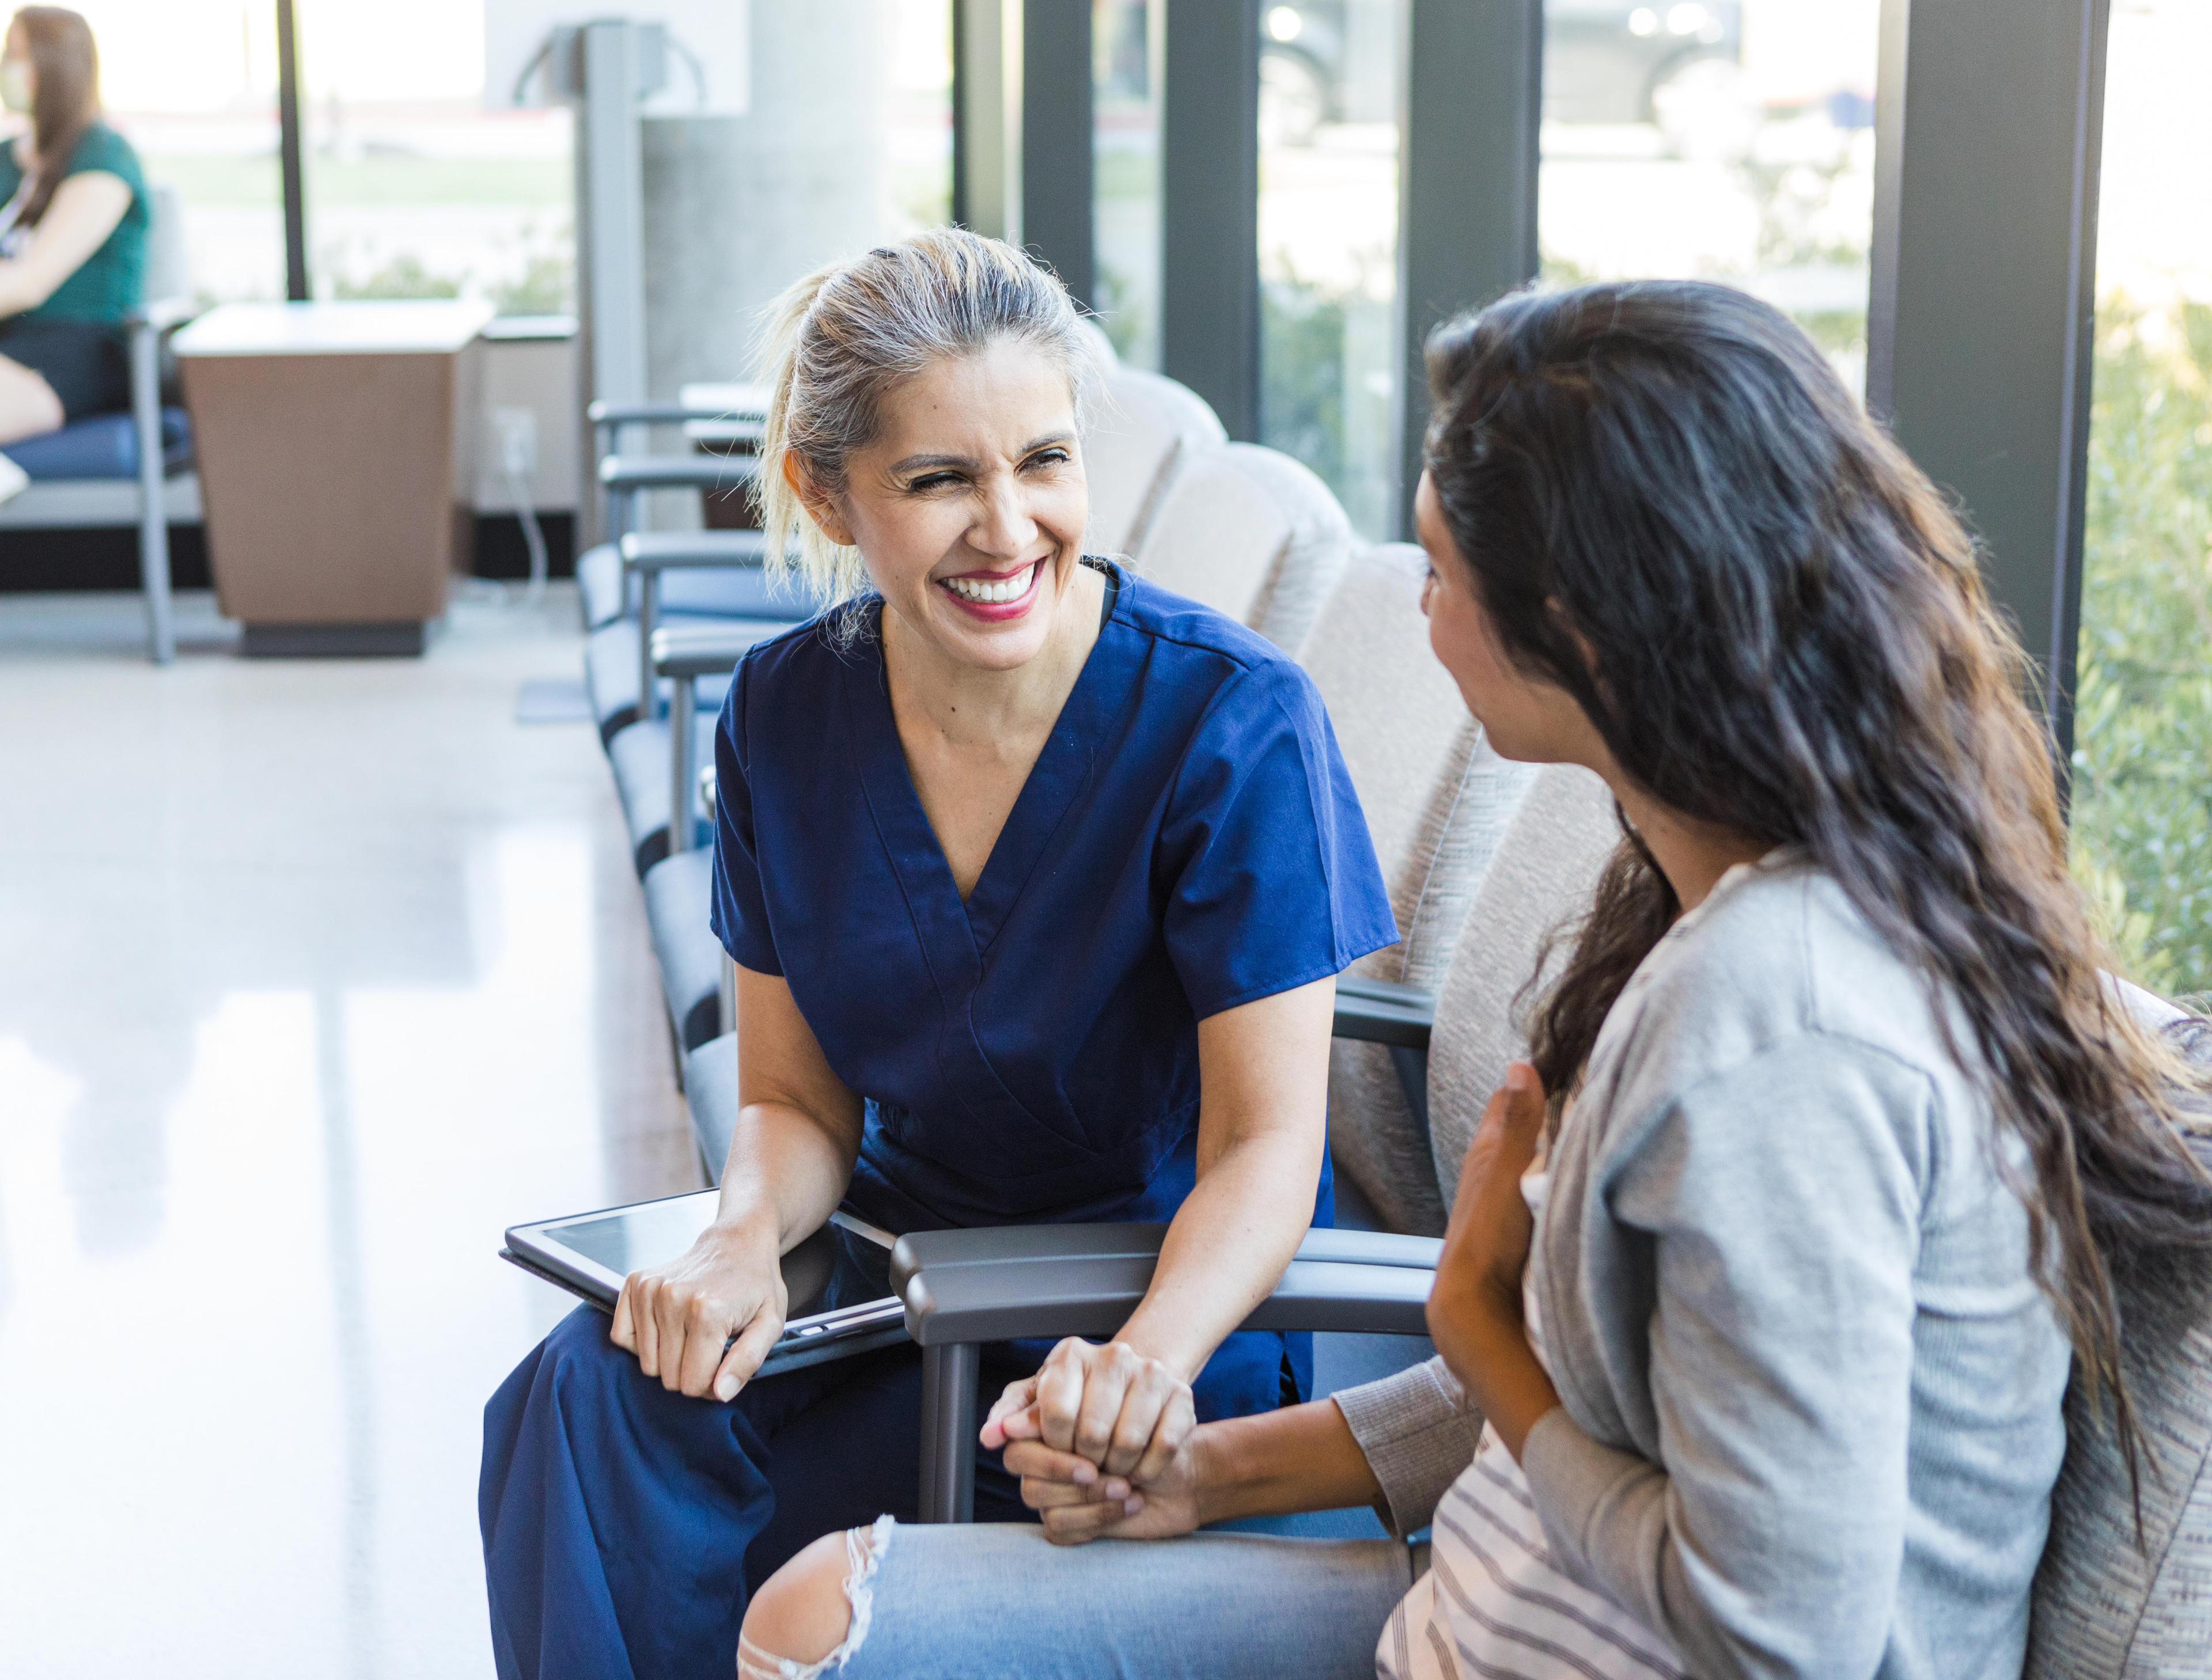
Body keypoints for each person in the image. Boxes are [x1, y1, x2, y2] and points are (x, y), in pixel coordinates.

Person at [736, 280, 2212, 1680]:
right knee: (815, 1596)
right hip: (1492, 1598)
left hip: (1534, 1631)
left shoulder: (1780, 1029)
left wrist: (1477, 1323)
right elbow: (1618, 1394)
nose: (1415, 604)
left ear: (1583, 623)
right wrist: (1205, 1474)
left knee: (820, 1618)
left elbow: (1778, 1635)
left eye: (1438, 566)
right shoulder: (1711, 904)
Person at [476, 229, 1398, 1680]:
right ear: (825, 493)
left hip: (1165, 1315)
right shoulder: (785, 715)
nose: (1008, 525)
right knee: (588, 1399)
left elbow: (1266, 1146)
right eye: (938, 479)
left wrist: (1140, 1359)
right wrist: (734, 1242)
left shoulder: (1231, 720)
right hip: (907, 1293)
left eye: (1042, 461)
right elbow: (793, 1101)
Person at [0, 6, 151, 505]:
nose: (9, 67)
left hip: (73, 351)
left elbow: (30, 282)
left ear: (59, 64)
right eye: (7, 54)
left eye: (22, 55)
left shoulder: (102, 155)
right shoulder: (5, 158)